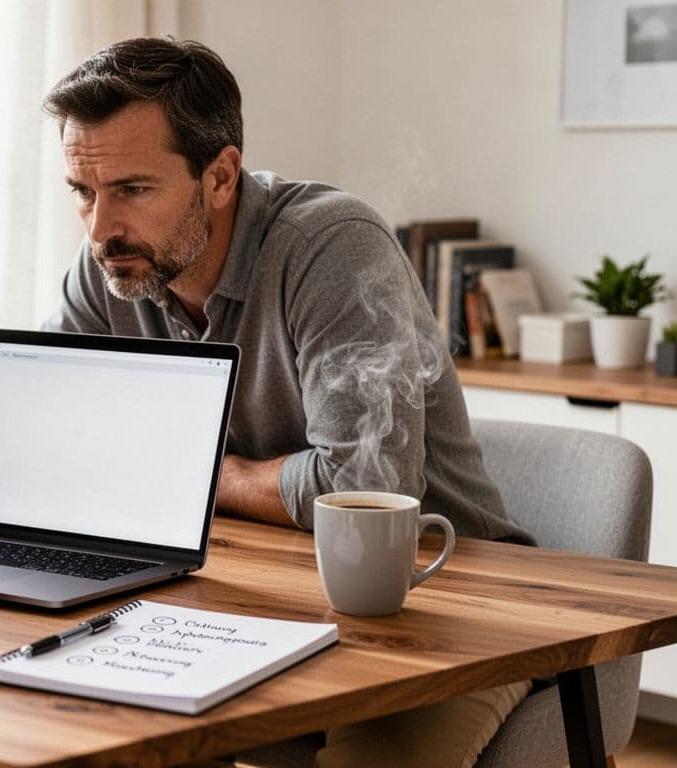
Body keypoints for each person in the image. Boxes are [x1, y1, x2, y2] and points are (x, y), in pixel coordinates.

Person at [40, 37, 532, 767]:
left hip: (444, 594)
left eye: (133, 190)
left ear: (220, 176)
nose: (99, 228)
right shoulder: (112, 267)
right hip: (245, 589)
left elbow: (360, 488)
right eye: (83, 191)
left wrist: (197, 474)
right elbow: (54, 443)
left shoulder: (332, 247)